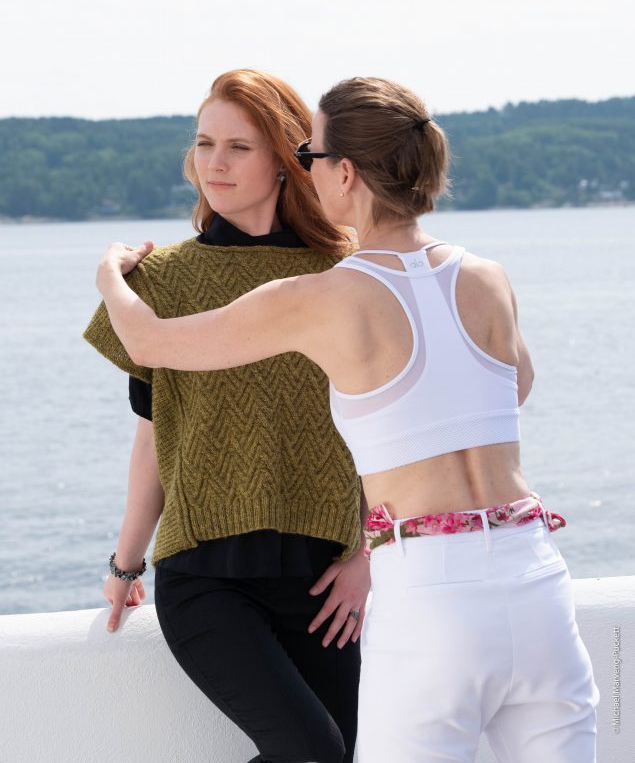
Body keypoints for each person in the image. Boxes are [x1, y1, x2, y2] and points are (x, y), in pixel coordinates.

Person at [96, 74, 600, 763]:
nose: (306, 169)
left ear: (345, 172)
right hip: (534, 574)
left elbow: (149, 342)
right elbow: (514, 387)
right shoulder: (486, 277)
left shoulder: (324, 295)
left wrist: (111, 274)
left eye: (310, 155)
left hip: (433, 589)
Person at [84, 69, 370, 763]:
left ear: (286, 159)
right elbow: (153, 439)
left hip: (322, 576)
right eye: (204, 143)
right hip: (205, 575)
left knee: (337, 755)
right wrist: (125, 565)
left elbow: (383, 428)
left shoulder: (346, 275)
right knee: (312, 752)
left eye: (238, 147)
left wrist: (366, 553)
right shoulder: (160, 282)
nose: (214, 162)